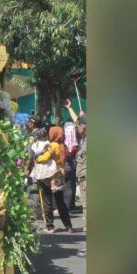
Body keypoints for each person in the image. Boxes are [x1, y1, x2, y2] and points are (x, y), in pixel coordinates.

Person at [31, 128, 74, 233]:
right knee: (60, 202)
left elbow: (45, 158)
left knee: (47, 201)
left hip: (49, 176)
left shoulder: (52, 145)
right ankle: (68, 226)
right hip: (59, 175)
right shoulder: (63, 145)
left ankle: (50, 226)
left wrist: (36, 158)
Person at [65, 99, 87, 256]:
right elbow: (78, 120)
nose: (77, 128)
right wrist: (70, 108)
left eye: (79, 126)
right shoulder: (85, 138)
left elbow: (81, 120)